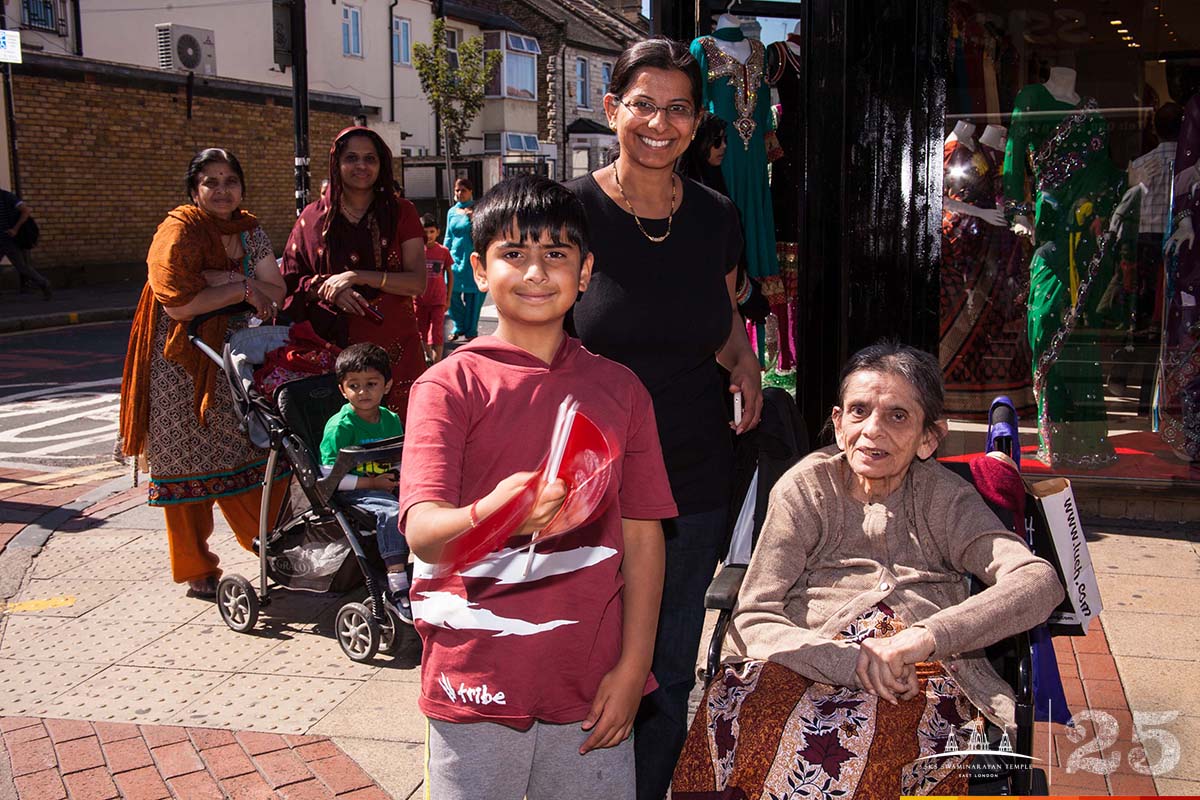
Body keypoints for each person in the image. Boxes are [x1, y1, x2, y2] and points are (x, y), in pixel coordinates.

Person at [671, 343, 1065, 798]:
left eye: (898, 416)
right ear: (839, 424)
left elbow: (1038, 582)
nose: (872, 430)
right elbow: (754, 616)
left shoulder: (945, 499)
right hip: (806, 654)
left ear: (929, 438)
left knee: (848, 747)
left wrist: (925, 637)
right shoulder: (806, 489)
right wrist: (848, 661)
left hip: (915, 673)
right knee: (750, 720)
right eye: (859, 411)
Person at [398, 175, 677, 800]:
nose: (535, 272)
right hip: (471, 684)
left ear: (585, 272)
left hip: (592, 689)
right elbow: (423, 532)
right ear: (478, 269)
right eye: (513, 253)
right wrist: (496, 514)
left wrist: (634, 668)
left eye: (556, 254)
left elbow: (644, 537)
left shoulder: (622, 390)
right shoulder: (447, 385)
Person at [564, 37, 763, 799]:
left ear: (697, 120)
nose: (659, 123)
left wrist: (743, 361)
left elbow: (721, 315)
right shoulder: (569, 213)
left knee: (669, 664)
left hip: (690, 470)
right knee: (583, 657)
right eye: (643, 104)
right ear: (612, 109)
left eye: (678, 108)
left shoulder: (716, 215)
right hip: (586, 480)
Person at [118, 148, 287, 597]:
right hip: (179, 360)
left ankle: (273, 545)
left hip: (237, 354)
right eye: (211, 181)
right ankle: (197, 569)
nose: (221, 190)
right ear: (194, 190)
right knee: (184, 459)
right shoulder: (179, 231)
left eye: (230, 180)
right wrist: (243, 287)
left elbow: (277, 292)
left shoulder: (250, 231)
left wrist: (228, 283)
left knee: (255, 446)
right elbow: (180, 304)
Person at [281, 127, 427, 420]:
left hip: (395, 348)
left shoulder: (401, 212)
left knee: (405, 432)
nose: (361, 166)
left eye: (370, 158)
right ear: (336, 164)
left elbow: (417, 282)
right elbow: (290, 281)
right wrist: (327, 288)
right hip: (333, 350)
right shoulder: (313, 218)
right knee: (341, 435)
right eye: (351, 158)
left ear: (381, 164)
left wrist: (357, 276)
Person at [320, 342, 411, 622]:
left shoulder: (391, 419)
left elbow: (398, 457)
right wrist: (372, 483)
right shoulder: (341, 427)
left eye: (371, 384)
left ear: (387, 385)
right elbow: (328, 476)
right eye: (354, 386)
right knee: (393, 512)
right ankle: (397, 580)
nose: (363, 392)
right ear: (342, 389)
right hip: (352, 490)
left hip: (385, 484)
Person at [445, 177, 484, 340]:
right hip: (455, 259)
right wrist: (443, 255)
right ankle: (459, 325)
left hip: (474, 259)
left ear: (470, 192)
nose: (460, 193)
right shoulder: (452, 212)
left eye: (463, 190)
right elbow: (448, 236)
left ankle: (470, 331)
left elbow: (485, 232)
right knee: (451, 292)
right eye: (457, 190)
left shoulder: (479, 209)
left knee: (473, 298)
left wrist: (474, 218)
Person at [0, 187, 51, 300]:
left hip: (8, 239)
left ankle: (44, 283)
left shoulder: (7, 197)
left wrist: (15, 229)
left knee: (21, 267)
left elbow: (26, 211)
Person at [416, 212, 454, 363]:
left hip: (438, 300)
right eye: (425, 232)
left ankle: (437, 363)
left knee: (437, 333)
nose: (429, 235)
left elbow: (450, 274)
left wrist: (448, 298)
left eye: (432, 231)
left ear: (438, 232)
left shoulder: (443, 251)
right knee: (421, 332)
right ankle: (427, 358)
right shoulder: (416, 251)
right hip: (419, 300)